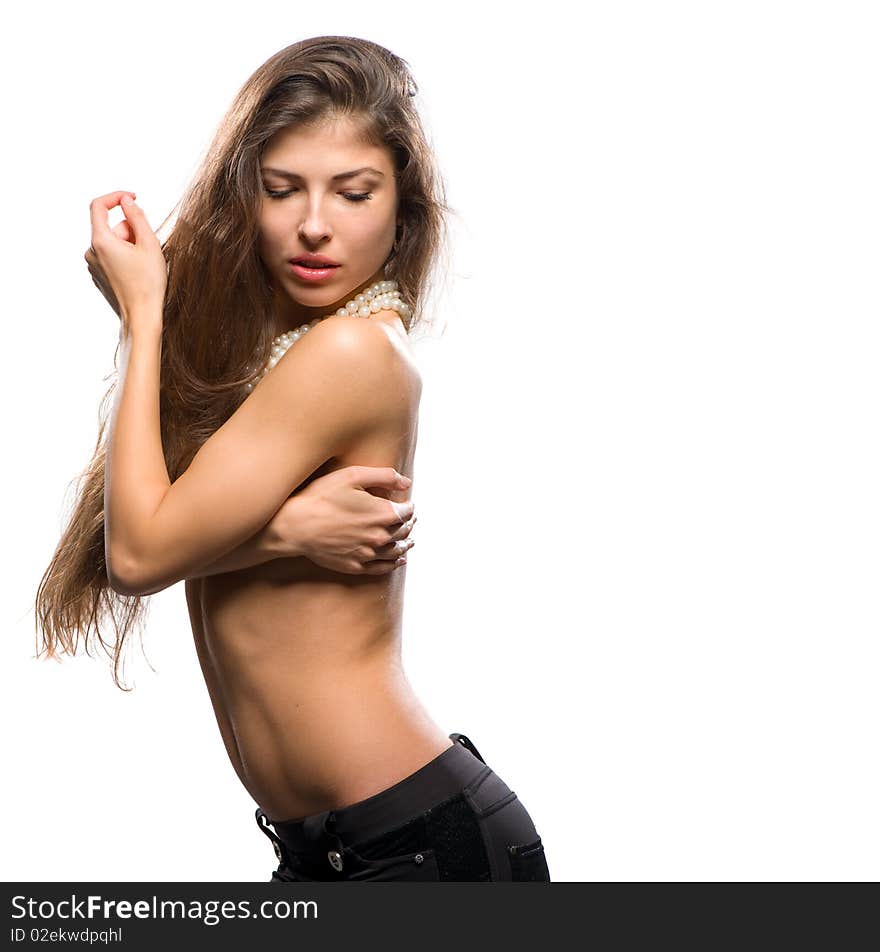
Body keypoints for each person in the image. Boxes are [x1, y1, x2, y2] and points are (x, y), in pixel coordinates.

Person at [34, 35, 550, 883]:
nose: (315, 223)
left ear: (402, 209)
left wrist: (145, 312)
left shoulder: (349, 353)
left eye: (354, 192)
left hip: (414, 844)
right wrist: (280, 534)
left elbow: (137, 554)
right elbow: (139, 542)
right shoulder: (281, 350)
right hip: (341, 851)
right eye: (283, 189)